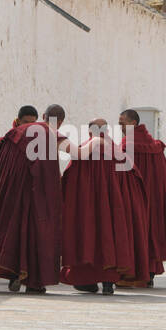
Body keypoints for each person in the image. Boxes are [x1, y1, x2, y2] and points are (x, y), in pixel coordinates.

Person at [0, 105, 63, 294]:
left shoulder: (13, 136)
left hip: (17, 195)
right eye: (27, 122)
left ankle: (18, 274)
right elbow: (46, 172)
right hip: (25, 195)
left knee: (18, 234)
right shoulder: (42, 135)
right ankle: (28, 278)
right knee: (27, 234)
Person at [60, 120, 136, 295]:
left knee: (88, 238)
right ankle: (108, 283)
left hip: (87, 208)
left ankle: (87, 281)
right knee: (110, 237)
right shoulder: (118, 151)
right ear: (107, 130)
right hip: (112, 207)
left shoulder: (83, 150)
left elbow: (70, 178)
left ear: (89, 131)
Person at [118, 109, 166, 285]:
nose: (120, 127)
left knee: (136, 233)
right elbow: (163, 175)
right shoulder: (155, 145)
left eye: (122, 123)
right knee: (151, 232)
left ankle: (136, 274)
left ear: (133, 123)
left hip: (134, 198)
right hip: (155, 198)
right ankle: (150, 274)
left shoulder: (126, 146)